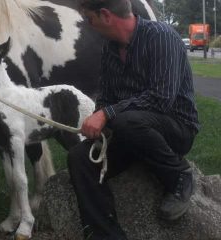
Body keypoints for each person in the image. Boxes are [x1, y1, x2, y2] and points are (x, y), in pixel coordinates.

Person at [67, 0, 200, 239]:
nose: (89, 25)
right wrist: (101, 121)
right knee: (78, 157)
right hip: (130, 130)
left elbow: (161, 99)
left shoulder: (162, 37)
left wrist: (107, 115)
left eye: (90, 19)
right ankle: (105, 234)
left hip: (175, 129)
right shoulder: (109, 49)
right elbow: (106, 97)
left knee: (126, 121)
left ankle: (179, 176)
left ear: (106, 15)